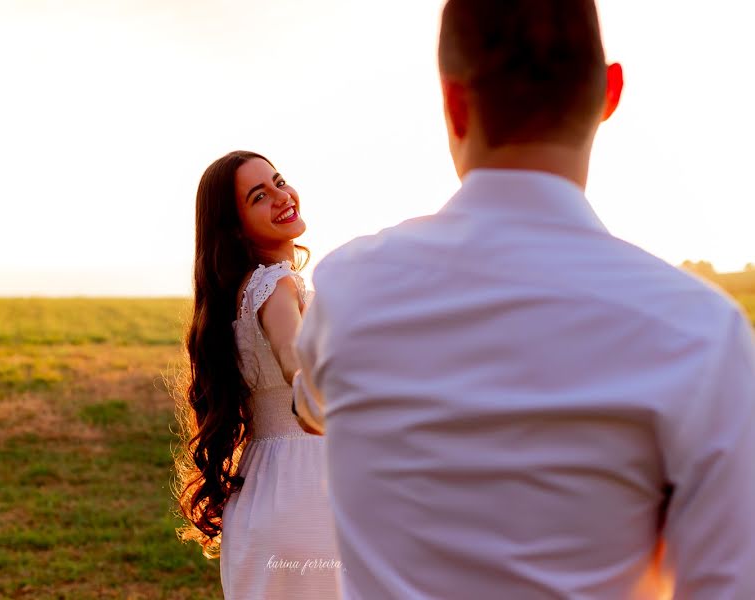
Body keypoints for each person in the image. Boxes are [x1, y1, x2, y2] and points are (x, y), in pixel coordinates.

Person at [292, 0, 755, 598]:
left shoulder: (346, 289)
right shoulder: (701, 332)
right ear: (609, 93)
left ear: (454, 103)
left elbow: (311, 407)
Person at [174, 150, 340, 599]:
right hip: (308, 487)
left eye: (279, 181)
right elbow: (293, 353)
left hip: (260, 487)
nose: (282, 196)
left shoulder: (240, 292)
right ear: (235, 226)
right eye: (259, 196)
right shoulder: (276, 285)